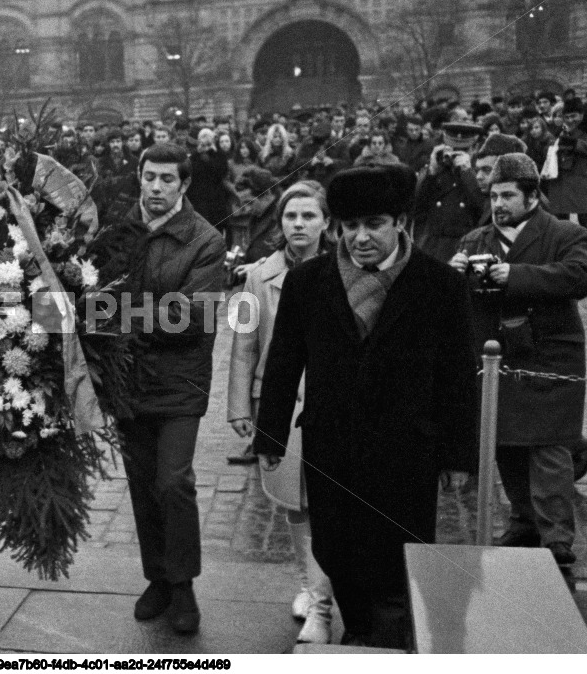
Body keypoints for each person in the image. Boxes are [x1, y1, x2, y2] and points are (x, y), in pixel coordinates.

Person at [254, 164, 479, 648]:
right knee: (338, 552)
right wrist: (270, 432)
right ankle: (358, 630)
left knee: (398, 558)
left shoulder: (438, 284)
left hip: (407, 450)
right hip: (331, 446)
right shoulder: (309, 282)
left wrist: (459, 454)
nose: (360, 238)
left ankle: (388, 641)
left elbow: (458, 376)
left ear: (400, 221)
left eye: (373, 224)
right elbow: (284, 361)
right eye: (349, 226)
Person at [451, 153, 587, 567]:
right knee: (506, 444)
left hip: (550, 356)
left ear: (532, 196)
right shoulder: (475, 241)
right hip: (496, 356)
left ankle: (557, 537)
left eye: (507, 195)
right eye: (493, 195)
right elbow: (454, 300)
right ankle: (523, 520)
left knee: (548, 447)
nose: (497, 203)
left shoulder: (564, 233)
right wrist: (452, 275)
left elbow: (578, 276)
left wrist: (517, 275)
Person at [120, 143, 227, 635]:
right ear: (139, 178)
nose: (157, 188)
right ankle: (157, 579)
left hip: (180, 382)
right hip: (128, 381)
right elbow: (91, 293)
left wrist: (120, 315)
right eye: (150, 177)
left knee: (173, 482)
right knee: (142, 485)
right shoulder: (121, 232)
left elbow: (191, 317)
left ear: (184, 185)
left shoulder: (205, 241)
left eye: (168, 179)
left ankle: (184, 587)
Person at [227, 180, 335, 644]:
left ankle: (325, 607)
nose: (299, 224)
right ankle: (310, 589)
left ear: (326, 222)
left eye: (309, 216)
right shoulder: (258, 276)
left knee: (331, 502)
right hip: (279, 402)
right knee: (293, 502)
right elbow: (243, 343)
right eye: (291, 216)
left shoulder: (345, 268)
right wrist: (238, 404)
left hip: (334, 401)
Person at [412, 121, 484, 261]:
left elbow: (482, 207)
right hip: (435, 246)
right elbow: (417, 206)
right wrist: (431, 171)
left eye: (463, 151)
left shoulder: (478, 173)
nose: (455, 156)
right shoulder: (435, 172)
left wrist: (467, 173)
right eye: (452, 150)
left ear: (474, 149)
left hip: (464, 246)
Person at [540, 98, 587, 225]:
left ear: (581, 114)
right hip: (563, 180)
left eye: (574, 116)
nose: (571, 120)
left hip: (582, 180)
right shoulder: (561, 132)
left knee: (584, 218)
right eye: (567, 117)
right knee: (561, 219)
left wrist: (573, 143)